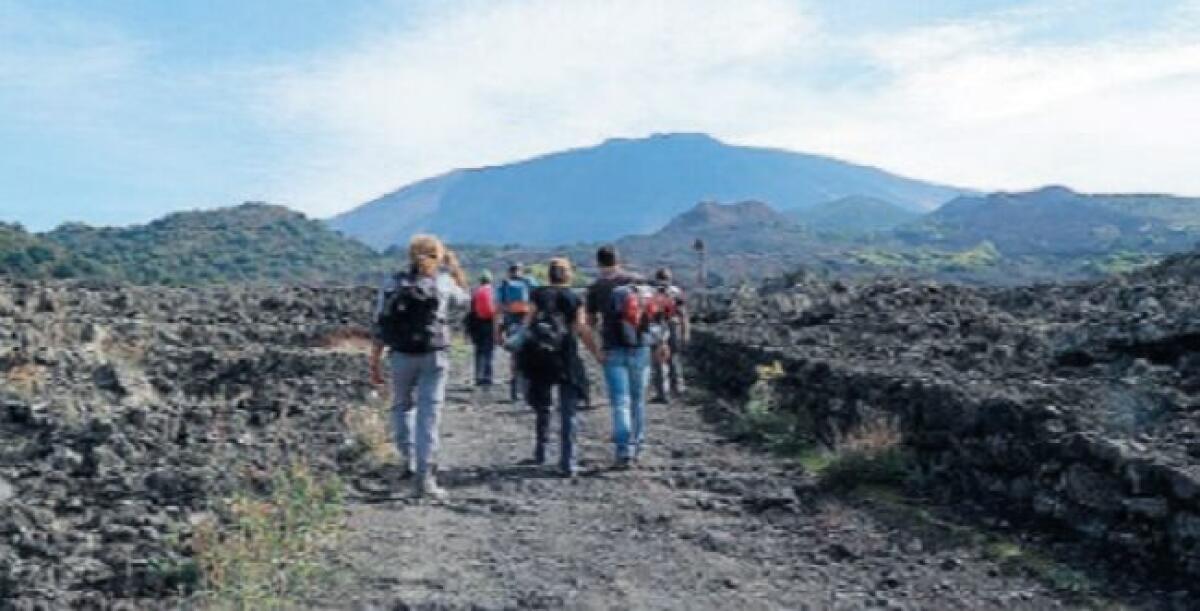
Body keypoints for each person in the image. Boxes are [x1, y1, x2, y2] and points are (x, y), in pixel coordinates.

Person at [369, 234, 468, 499]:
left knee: (401, 406)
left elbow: (380, 324)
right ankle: (424, 479)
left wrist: (375, 361)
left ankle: (409, 458)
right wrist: (455, 269)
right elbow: (465, 301)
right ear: (438, 256)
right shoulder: (443, 281)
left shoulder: (392, 283)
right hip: (434, 355)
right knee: (429, 414)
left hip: (401, 354)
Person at [519, 258, 601, 476]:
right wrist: (597, 353)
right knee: (568, 411)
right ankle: (568, 462)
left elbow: (527, 322)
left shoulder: (538, 294)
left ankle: (541, 452)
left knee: (543, 406)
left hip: (539, 357)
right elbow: (581, 328)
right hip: (566, 356)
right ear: (568, 275)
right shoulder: (574, 298)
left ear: (549, 275)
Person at [585, 245, 652, 468]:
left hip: (612, 348)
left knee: (620, 403)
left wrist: (597, 348)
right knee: (637, 400)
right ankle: (638, 445)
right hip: (640, 345)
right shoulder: (637, 281)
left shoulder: (596, 287)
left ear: (598, 263)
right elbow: (652, 314)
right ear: (618, 260)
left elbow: (590, 322)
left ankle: (624, 451)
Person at [496, 263, 538, 402]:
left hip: (511, 322)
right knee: (530, 355)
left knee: (514, 357)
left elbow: (498, 308)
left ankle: (515, 392)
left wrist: (498, 331)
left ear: (509, 272)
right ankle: (528, 390)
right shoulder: (529, 282)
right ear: (521, 271)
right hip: (527, 322)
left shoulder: (504, 285)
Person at [650, 267, 689, 403]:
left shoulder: (652, 293)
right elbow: (683, 314)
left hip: (657, 328)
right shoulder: (676, 292)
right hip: (673, 325)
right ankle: (678, 389)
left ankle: (663, 393)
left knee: (659, 360)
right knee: (674, 358)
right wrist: (685, 332)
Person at [466, 270, 498, 391]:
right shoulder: (492, 292)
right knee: (489, 351)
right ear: (490, 280)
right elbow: (495, 310)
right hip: (489, 324)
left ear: (480, 280)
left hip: (477, 325)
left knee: (478, 352)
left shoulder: (476, 292)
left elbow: (471, 311)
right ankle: (487, 377)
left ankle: (477, 377)